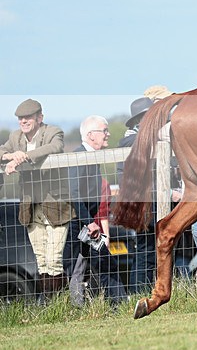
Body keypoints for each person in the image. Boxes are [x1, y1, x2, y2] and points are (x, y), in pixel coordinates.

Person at [0, 99, 74, 297]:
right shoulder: (15, 137)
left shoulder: (53, 132)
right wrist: (10, 156)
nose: (24, 122)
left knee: (54, 258)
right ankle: (50, 304)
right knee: (41, 260)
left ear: (39, 118)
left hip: (55, 205)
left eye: (28, 118)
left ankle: (60, 301)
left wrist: (24, 156)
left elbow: (55, 148)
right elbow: (1, 151)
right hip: (31, 206)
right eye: (20, 119)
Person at [65, 115, 128, 306]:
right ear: (91, 135)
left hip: (87, 223)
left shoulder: (92, 156)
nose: (108, 134)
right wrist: (90, 222)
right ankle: (114, 304)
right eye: (105, 130)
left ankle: (116, 304)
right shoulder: (80, 155)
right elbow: (75, 193)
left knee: (101, 264)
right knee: (79, 268)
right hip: (82, 225)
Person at [117, 96, 156, 293]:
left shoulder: (131, 139)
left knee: (145, 249)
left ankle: (141, 291)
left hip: (142, 200)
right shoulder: (133, 140)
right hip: (143, 201)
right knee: (145, 250)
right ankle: (140, 291)